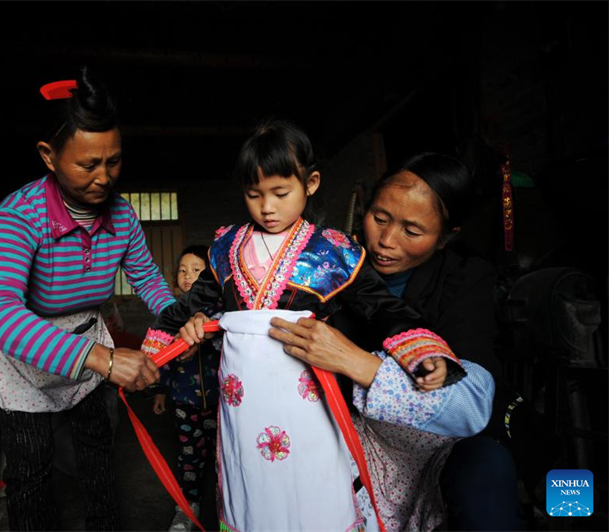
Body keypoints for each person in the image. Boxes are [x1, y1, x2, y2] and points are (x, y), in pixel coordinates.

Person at [140, 120, 492, 532]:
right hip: (240, 399)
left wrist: (423, 353)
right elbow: (193, 304)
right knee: (245, 478)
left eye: (280, 193)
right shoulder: (225, 247)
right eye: (254, 195)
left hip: (305, 397)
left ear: (311, 184)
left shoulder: (335, 251)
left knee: (311, 480)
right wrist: (155, 352)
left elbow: (383, 308)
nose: (266, 207)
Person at [270, 152, 525, 530]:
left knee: (486, 469)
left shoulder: (466, 280)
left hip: (443, 447)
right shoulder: (330, 270)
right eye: (380, 219)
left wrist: (356, 362)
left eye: (412, 231)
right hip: (355, 444)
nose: (386, 241)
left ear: (444, 239)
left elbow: (469, 404)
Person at [0, 66, 174, 531]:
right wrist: (102, 358)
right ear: (48, 155)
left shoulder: (122, 216)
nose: (104, 178)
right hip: (24, 357)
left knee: (96, 454)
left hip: (87, 339)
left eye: (114, 161)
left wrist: (177, 318)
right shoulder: (19, 215)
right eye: (88, 164)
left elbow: (147, 277)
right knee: (30, 470)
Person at [151, 245, 220, 532]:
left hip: (221, 403)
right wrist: (160, 390)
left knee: (221, 459)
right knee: (190, 457)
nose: (188, 276)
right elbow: (163, 359)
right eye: (182, 270)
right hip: (184, 402)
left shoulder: (220, 313)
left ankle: (220, 511)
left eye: (196, 270)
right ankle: (185, 508)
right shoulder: (173, 315)